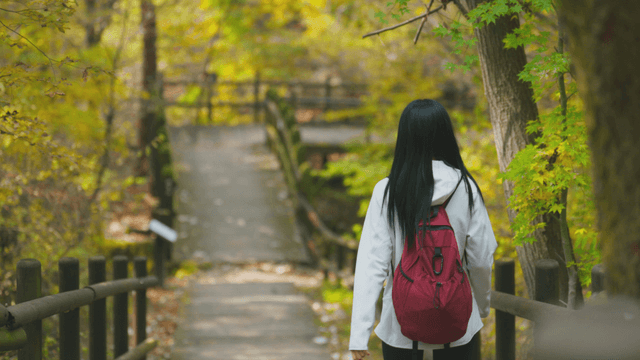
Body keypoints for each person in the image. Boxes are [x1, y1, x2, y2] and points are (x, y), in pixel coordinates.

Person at [349, 99, 498, 360]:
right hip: (459, 322)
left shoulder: (388, 191)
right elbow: (482, 258)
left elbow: (371, 265)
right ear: (445, 135)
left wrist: (359, 335)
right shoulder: (466, 187)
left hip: (400, 325)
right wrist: (480, 307)